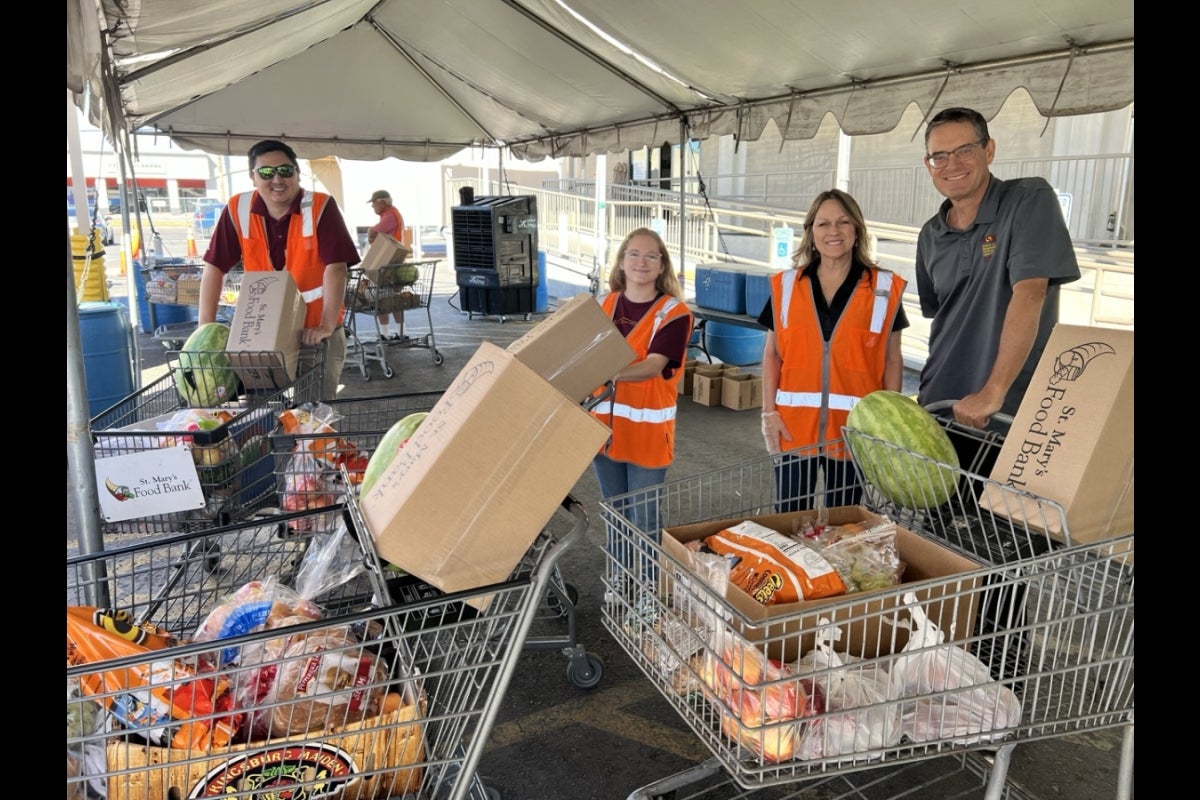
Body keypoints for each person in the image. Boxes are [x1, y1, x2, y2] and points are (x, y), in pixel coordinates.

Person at [914, 107, 1081, 468]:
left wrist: (993, 391)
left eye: (964, 150)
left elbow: (1031, 292)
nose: (951, 164)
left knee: (1001, 524)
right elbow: (942, 320)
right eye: (938, 156)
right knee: (933, 522)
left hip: (1005, 414)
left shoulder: (1028, 200)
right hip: (940, 410)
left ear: (989, 150)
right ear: (928, 164)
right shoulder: (930, 234)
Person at [758, 189, 908, 511]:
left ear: (857, 231)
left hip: (854, 432)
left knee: (843, 521)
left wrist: (888, 424)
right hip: (793, 428)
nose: (833, 232)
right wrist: (769, 413)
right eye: (823, 224)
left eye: (843, 222)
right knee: (790, 518)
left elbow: (893, 359)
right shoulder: (786, 286)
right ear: (812, 234)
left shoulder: (883, 289)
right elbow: (772, 354)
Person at [198, 139, 360, 402]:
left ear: (297, 173)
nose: (277, 179)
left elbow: (336, 267)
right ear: (253, 177)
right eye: (266, 172)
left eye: (285, 171)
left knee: (312, 415)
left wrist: (326, 326)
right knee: (262, 414)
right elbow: (214, 266)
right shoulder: (238, 209)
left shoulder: (320, 207)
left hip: (314, 334)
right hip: (262, 335)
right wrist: (205, 329)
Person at [589, 228, 693, 599]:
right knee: (615, 513)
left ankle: (649, 579)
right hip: (604, 431)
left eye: (651, 256)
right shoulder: (604, 305)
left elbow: (653, 366)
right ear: (620, 262)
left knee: (644, 516)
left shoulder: (674, 313)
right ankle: (619, 576)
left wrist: (606, 372)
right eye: (633, 254)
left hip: (648, 435)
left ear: (662, 264)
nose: (641, 263)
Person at [366, 189, 406, 339]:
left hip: (388, 265)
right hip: (392, 264)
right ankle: (398, 333)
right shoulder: (391, 214)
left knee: (384, 299)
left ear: (382, 202)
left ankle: (387, 333)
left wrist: (371, 231)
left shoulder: (390, 216)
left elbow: (373, 233)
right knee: (391, 298)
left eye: (374, 203)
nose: (372, 207)